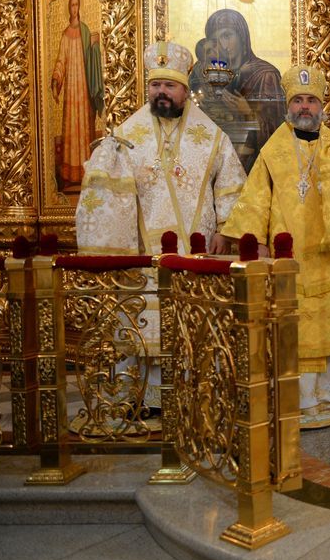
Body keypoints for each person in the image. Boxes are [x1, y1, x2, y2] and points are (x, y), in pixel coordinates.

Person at [75, 41, 247, 410]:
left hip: (197, 251)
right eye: (155, 85)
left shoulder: (212, 136)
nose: (161, 92)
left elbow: (231, 184)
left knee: (194, 326)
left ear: (185, 90)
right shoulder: (126, 135)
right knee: (145, 324)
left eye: (169, 85)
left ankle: (196, 396)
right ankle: (145, 398)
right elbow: (107, 195)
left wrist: (225, 228)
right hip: (144, 251)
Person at [220, 65, 330, 424]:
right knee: (293, 326)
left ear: (322, 107)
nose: (305, 107)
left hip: (329, 255)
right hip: (286, 256)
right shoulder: (272, 150)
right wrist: (256, 242)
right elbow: (255, 199)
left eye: (311, 100)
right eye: (298, 100)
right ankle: (298, 402)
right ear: (288, 105)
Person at [204, 8, 287, 170]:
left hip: (257, 169)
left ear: (242, 36)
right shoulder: (214, 78)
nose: (223, 45)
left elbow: (278, 132)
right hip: (221, 164)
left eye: (227, 36)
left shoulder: (265, 74)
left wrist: (248, 112)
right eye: (215, 40)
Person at [51, 0, 104, 189]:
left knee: (84, 124)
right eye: (71, 5)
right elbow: (60, 60)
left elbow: (91, 56)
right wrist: (56, 80)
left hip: (84, 86)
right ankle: (70, 174)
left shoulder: (85, 30)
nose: (74, 8)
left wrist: (95, 45)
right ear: (68, 9)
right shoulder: (65, 34)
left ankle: (86, 171)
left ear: (79, 7)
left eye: (76, 5)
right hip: (70, 88)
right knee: (72, 124)